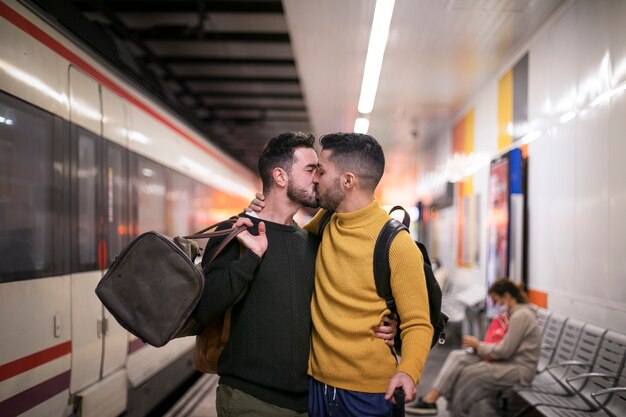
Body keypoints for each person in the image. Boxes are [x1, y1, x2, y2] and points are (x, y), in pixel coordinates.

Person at [192, 132, 395, 417]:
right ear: (280, 176)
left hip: (307, 401)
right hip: (250, 399)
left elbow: (343, 299)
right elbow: (204, 308)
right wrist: (250, 258)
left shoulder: (311, 241)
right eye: (311, 169)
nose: (318, 178)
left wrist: (389, 322)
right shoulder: (236, 233)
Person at [303, 133, 434, 416]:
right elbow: (290, 251)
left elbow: (418, 323)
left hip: (370, 395)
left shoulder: (396, 244)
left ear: (347, 181)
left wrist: (408, 372)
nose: (315, 179)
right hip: (316, 383)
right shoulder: (325, 220)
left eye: (322, 172)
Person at [405, 278, 540, 417]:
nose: (494, 304)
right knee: (458, 357)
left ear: (506, 296)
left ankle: (456, 411)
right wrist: (479, 347)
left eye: (495, 300)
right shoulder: (513, 314)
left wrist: (478, 346)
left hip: (519, 369)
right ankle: (436, 403)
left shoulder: (520, 316)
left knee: (469, 374)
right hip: (508, 360)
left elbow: (504, 351)